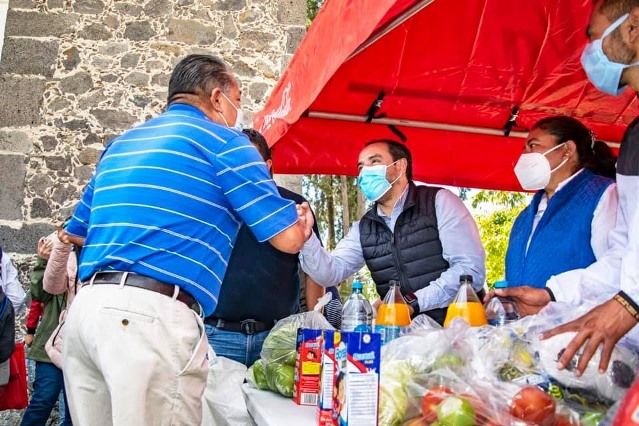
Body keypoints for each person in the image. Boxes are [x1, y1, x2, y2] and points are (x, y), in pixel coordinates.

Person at [61, 55, 312, 426]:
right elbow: (288, 239)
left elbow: (76, 231)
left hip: (87, 313)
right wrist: (301, 226)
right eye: (238, 100)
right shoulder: (226, 143)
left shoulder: (121, 145)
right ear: (217, 98)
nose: (238, 112)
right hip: (150, 319)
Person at [495, 0, 639, 378]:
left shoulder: (600, 194)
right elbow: (625, 255)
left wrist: (628, 305)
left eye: (593, 37)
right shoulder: (634, 139)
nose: (588, 52)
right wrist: (552, 293)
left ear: (633, 27)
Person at [299, 139, 486, 325]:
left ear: (400, 166)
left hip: (458, 327)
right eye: (361, 167)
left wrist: (412, 302)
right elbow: (330, 274)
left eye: (374, 162)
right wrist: (307, 239)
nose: (365, 172)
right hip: (400, 332)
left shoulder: (439, 202)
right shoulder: (363, 228)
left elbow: (469, 270)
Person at [205, 128, 337, 366]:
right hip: (217, 336)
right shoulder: (213, 206)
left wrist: (314, 327)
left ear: (267, 166)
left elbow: (313, 270)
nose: (243, 169)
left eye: (251, 162)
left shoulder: (294, 206)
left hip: (278, 336)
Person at [501, 116, 618, 303]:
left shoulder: (603, 194)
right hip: (526, 321)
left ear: (567, 150)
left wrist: (552, 294)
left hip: (580, 320)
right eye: (524, 149)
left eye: (533, 146)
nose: (525, 156)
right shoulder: (525, 217)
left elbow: (615, 266)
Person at [21, 235, 73, 426]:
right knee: (43, 400)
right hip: (51, 342)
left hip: (81, 346)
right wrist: (42, 262)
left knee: (75, 411)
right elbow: (38, 296)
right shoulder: (57, 261)